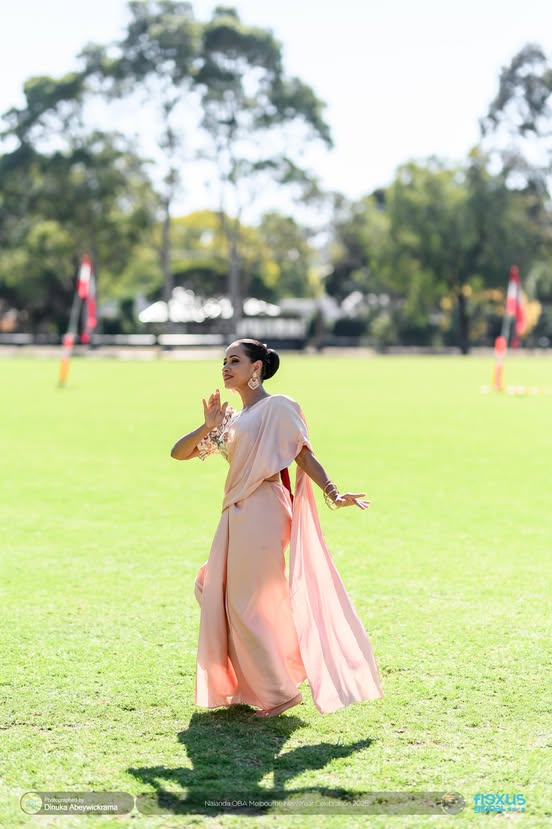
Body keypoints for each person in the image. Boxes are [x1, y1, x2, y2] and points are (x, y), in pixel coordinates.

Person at [171, 338, 383, 718]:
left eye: (234, 360)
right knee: (209, 585)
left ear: (256, 368)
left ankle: (280, 693)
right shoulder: (230, 420)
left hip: (264, 510)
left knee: (242, 602)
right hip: (234, 514)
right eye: (223, 361)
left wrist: (333, 493)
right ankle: (255, 679)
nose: (225, 366)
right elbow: (179, 453)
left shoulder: (278, 407)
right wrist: (207, 426)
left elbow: (303, 453)